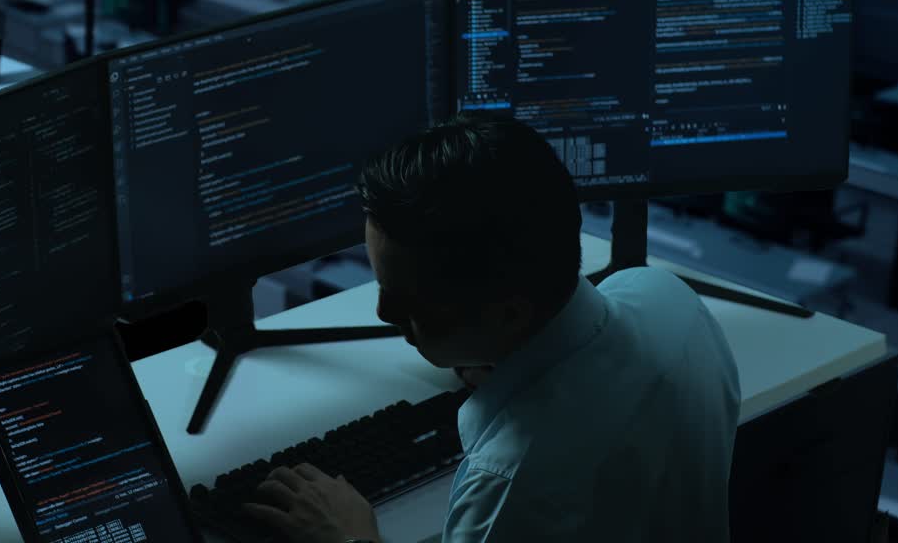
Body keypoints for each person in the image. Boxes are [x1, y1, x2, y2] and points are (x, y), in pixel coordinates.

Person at [243, 114, 741, 542]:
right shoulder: (667, 298)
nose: (383, 314)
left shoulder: (509, 482)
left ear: (509, 313)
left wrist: (349, 536)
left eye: (407, 298)